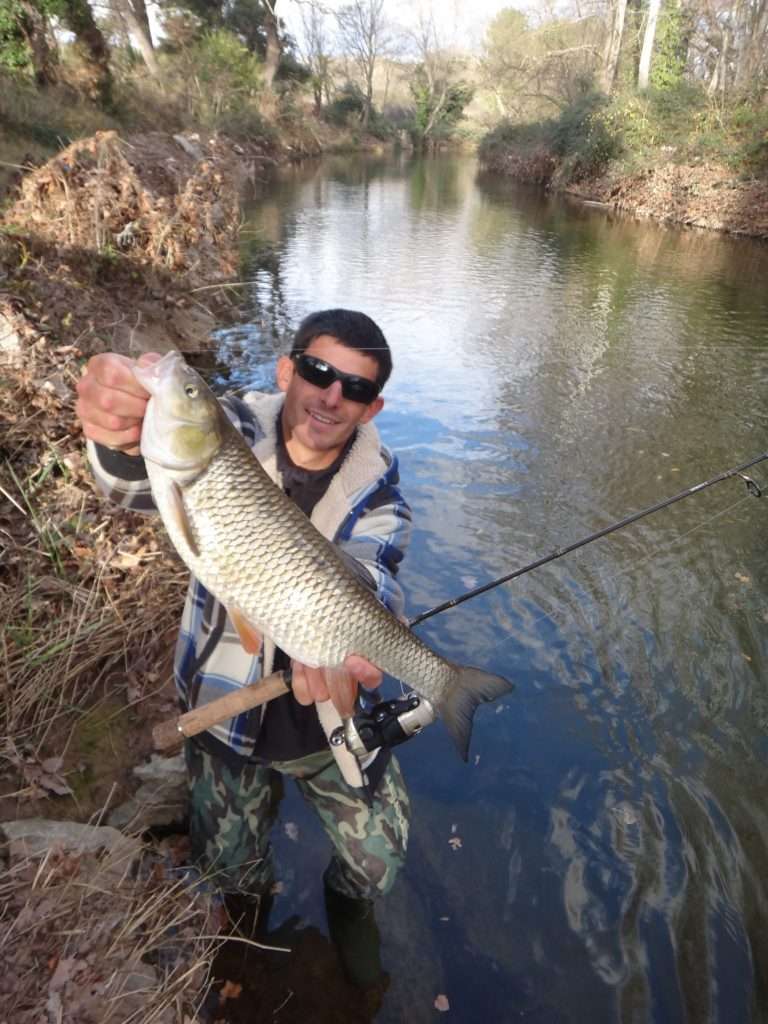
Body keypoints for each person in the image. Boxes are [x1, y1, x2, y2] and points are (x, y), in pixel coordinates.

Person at [76, 309, 413, 990]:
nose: (330, 396)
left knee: (381, 860)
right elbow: (129, 481)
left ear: (372, 405)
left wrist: (352, 639)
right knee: (230, 869)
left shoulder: (382, 491)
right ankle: (242, 929)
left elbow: (375, 576)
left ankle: (348, 917)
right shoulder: (226, 427)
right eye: (317, 372)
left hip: (326, 720)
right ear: (288, 370)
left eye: (353, 387)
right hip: (226, 707)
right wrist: (112, 431)